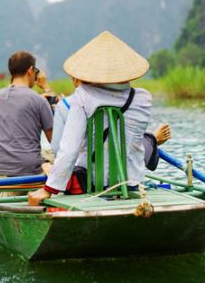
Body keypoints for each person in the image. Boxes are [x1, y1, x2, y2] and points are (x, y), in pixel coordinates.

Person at [29, 32, 169, 206]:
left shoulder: (82, 97)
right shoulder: (144, 99)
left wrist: (48, 189)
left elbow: (68, 149)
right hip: (133, 182)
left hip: (92, 184)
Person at [0, 51, 54, 178]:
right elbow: (54, 141)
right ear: (31, 70)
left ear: (11, 72)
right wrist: (46, 88)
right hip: (28, 169)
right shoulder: (39, 100)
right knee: (55, 157)